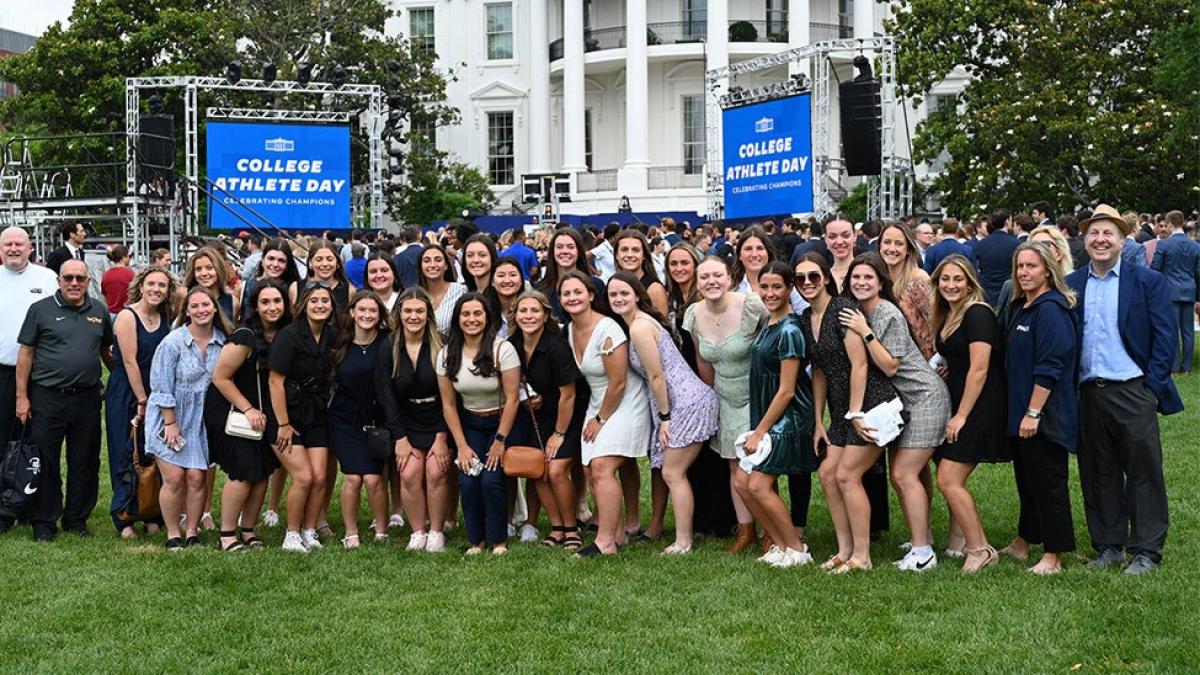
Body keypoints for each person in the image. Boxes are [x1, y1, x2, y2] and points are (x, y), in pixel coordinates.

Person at [1069, 205, 1182, 574]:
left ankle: (1146, 550)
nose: (1100, 240)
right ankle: (1109, 546)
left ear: (1122, 240)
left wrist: (1152, 386)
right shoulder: (1072, 284)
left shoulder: (1145, 281)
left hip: (1133, 389)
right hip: (1088, 392)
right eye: (1094, 234)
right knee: (1097, 471)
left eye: (1108, 234)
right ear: (1084, 241)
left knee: (1143, 471)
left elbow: (1166, 338)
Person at [839, 253, 952, 571]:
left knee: (903, 474)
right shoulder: (861, 311)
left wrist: (865, 331)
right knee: (904, 476)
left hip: (925, 398)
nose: (861, 283)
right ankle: (920, 540)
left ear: (880, 283)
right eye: (856, 278)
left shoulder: (886, 312)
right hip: (904, 403)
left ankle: (923, 553)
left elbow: (890, 365)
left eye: (868, 278)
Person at [795, 252, 897, 572]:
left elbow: (861, 364)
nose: (807, 283)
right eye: (800, 279)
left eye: (814, 276)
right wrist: (818, 421)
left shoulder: (843, 310)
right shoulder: (805, 319)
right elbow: (821, 371)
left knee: (847, 475)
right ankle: (844, 549)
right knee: (827, 474)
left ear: (826, 277)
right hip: (842, 409)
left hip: (869, 403)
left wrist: (855, 413)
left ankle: (863, 556)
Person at [609, 272, 719, 555]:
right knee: (673, 472)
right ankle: (683, 537)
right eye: (613, 295)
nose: (618, 299)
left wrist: (666, 418)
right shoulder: (637, 324)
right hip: (678, 403)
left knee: (673, 473)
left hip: (686, 404)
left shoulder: (640, 328)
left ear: (637, 295)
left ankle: (684, 542)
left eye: (624, 293)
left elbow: (657, 376)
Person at [14, 259, 112, 541]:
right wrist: (22, 397)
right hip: (48, 397)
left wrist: (125, 377)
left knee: (85, 460)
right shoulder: (40, 310)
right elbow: (26, 355)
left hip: (87, 398)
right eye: (68, 277)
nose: (74, 283)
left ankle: (76, 519)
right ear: (59, 280)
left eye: (80, 278)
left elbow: (106, 351)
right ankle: (44, 522)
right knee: (45, 460)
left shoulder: (99, 310)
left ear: (88, 282)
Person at [561, 272, 652, 557]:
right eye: (566, 294)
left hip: (624, 400)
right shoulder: (568, 329)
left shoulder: (608, 329)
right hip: (600, 401)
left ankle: (604, 542)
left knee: (601, 466)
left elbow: (620, 382)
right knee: (588, 467)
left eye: (578, 292)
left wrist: (600, 420)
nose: (573, 298)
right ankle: (618, 532)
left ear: (590, 295)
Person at [1002, 241, 1079, 575]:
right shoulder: (1024, 305)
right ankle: (1025, 541)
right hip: (1021, 413)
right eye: (1020, 267)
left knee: (1048, 483)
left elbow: (1050, 366)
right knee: (1028, 481)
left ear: (1048, 269)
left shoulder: (1052, 309)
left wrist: (1034, 413)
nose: (1024, 273)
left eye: (1031, 266)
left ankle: (1055, 554)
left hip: (1044, 415)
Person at [930, 255, 1010, 572]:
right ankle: (964, 541)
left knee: (949, 479)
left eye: (958, 279)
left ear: (970, 283)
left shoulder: (977, 314)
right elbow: (961, 360)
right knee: (949, 476)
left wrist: (961, 416)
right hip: (960, 400)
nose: (951, 285)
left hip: (979, 406)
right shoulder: (949, 313)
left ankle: (980, 549)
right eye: (945, 279)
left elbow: (980, 369)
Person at [683, 257, 766, 554]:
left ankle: (770, 529)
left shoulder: (751, 305)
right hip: (724, 395)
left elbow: (773, 341)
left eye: (717, 275)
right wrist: (711, 397)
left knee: (757, 465)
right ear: (697, 282)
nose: (711, 281)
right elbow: (703, 359)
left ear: (729, 278)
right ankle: (746, 532)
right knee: (733, 464)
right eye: (704, 277)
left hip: (756, 393)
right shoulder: (693, 314)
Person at [737, 261, 816, 567]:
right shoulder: (768, 323)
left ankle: (797, 549)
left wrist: (760, 431)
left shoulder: (791, 330)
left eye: (777, 287)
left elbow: (787, 390)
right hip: (767, 414)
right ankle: (780, 544)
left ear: (789, 289)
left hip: (790, 416)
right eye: (764, 286)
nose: (770, 293)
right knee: (743, 483)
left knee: (757, 484)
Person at [436, 293, 522, 555]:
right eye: (465, 314)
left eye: (477, 314)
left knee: (491, 480)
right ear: (457, 319)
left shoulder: (502, 349)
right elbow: (449, 405)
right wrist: (461, 446)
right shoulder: (446, 354)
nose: (471, 319)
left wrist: (500, 441)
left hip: (501, 423)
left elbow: (513, 398)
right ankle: (476, 541)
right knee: (469, 481)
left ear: (487, 318)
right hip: (469, 424)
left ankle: (498, 541)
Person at [208, 279, 289, 552]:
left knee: (263, 471)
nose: (272, 307)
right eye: (265, 302)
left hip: (266, 414)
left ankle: (248, 530)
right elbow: (220, 377)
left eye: (277, 301)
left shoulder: (284, 334)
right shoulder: (245, 336)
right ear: (254, 306)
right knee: (243, 472)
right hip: (235, 411)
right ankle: (226, 534)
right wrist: (248, 408)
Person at [145, 286, 229, 549]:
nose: (201, 310)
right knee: (174, 478)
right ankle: (173, 534)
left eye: (206, 305)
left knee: (196, 477)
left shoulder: (223, 341)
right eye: (194, 306)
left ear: (215, 307)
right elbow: (161, 385)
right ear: (186, 311)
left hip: (203, 420)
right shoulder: (173, 342)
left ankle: (191, 532)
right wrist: (170, 423)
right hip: (170, 416)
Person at [666, 243, 738, 537]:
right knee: (697, 456)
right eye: (674, 264)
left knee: (717, 456)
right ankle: (700, 519)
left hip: (709, 376)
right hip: (686, 382)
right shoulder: (673, 299)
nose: (679, 269)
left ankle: (723, 519)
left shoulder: (709, 298)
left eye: (685, 263)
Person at [508, 290, 586, 550]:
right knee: (538, 471)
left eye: (534, 310)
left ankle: (571, 527)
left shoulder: (556, 344)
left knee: (555, 470)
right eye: (523, 311)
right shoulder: (513, 344)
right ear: (515, 315)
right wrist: (525, 398)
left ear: (544, 314)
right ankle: (557, 527)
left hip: (566, 415)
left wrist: (559, 434)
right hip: (535, 416)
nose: (528, 316)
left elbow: (569, 394)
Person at [377, 288, 452, 552]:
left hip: (440, 419)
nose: (413, 316)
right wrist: (400, 438)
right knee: (408, 473)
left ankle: (436, 532)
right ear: (399, 314)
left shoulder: (442, 343)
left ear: (428, 314)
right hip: (406, 421)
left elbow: (451, 398)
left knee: (436, 471)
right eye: (407, 311)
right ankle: (418, 531)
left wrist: (442, 437)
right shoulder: (389, 347)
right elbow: (386, 396)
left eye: (419, 311)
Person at [268, 281, 341, 552]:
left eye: (325, 300)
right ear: (304, 305)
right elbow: (275, 381)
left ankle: (310, 530)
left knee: (321, 477)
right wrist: (284, 424)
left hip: (318, 413)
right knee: (304, 477)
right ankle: (291, 533)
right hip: (287, 414)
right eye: (314, 300)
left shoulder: (334, 336)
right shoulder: (289, 335)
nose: (320, 305)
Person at [106, 266, 174, 538]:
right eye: (152, 284)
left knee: (151, 454)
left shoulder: (166, 317)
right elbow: (129, 361)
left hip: (156, 392)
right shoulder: (126, 315)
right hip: (128, 391)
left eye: (162, 285)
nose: (156, 289)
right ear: (141, 285)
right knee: (125, 450)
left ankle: (149, 512)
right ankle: (124, 517)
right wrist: (141, 400)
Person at [0, 225, 58, 535]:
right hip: (2, 372)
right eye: (7, 243)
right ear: (0, 249)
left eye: (19, 244)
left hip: (41, 375)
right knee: (1, 441)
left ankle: (31, 504)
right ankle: (3, 508)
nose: (13, 248)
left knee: (37, 444)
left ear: (30, 247)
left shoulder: (46, 278)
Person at [329, 291, 391, 548]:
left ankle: (381, 529)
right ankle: (351, 532)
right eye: (361, 310)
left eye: (372, 311)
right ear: (352, 313)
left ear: (379, 316)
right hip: (344, 420)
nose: (367, 315)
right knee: (354, 478)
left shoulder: (388, 341)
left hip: (377, 419)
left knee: (374, 479)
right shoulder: (339, 343)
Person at [1150, 210, 1200, 373]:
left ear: (1170, 224)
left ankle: (1174, 365)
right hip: (1189, 289)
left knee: (1172, 329)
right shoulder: (1195, 245)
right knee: (1188, 330)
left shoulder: (1164, 244)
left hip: (1170, 291)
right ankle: (1186, 366)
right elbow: (1198, 273)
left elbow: (1155, 269)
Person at [877, 223, 936, 359]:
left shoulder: (917, 278)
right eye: (887, 242)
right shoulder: (878, 279)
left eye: (899, 244)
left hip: (922, 363)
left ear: (908, 249)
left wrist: (939, 360)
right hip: (889, 362)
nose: (892, 249)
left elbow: (935, 323)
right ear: (880, 245)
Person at [731, 226, 807, 314]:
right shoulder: (733, 287)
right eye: (748, 249)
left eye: (760, 248)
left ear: (768, 252)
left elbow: (805, 314)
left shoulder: (786, 282)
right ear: (739, 255)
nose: (754, 254)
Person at [539, 227, 605, 323]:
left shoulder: (596, 285)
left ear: (579, 251)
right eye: (559, 247)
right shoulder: (540, 289)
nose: (565, 251)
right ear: (552, 252)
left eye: (570, 247)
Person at [240, 238, 302, 321]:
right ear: (262, 259)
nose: (275, 264)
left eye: (281, 260)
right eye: (271, 258)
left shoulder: (294, 289)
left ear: (287, 265)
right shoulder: (245, 287)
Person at [418, 243, 467, 337]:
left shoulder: (460, 291)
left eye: (438, 260)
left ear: (446, 265)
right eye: (427, 261)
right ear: (421, 266)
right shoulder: (416, 295)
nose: (432, 265)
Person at [974, 209, 1020, 308]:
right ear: (1007, 221)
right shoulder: (1015, 243)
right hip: (1008, 292)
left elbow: (978, 267)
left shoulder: (981, 244)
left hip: (987, 291)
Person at [292, 241, 353, 312]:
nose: (325, 263)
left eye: (329, 259)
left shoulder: (349, 291)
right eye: (319, 259)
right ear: (310, 263)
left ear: (337, 263)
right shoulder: (296, 288)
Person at [101, 245, 135, 317]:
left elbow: (104, 295)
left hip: (110, 314)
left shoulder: (106, 275)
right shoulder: (131, 274)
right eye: (129, 256)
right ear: (123, 257)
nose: (130, 259)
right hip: (127, 314)